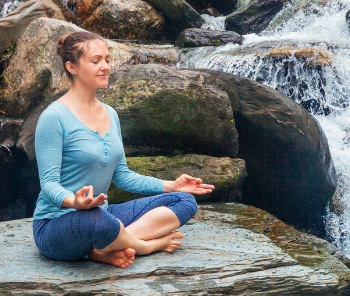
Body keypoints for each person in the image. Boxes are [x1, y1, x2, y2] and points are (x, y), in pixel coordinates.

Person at [32, 31, 214, 268]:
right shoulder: (54, 117)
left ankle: (105, 246)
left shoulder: (111, 114)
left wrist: (172, 185)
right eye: (95, 61)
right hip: (57, 225)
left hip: (103, 215)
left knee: (184, 201)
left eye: (107, 59)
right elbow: (48, 185)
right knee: (97, 220)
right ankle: (146, 245)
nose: (105, 66)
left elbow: (122, 177)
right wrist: (74, 203)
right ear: (72, 67)